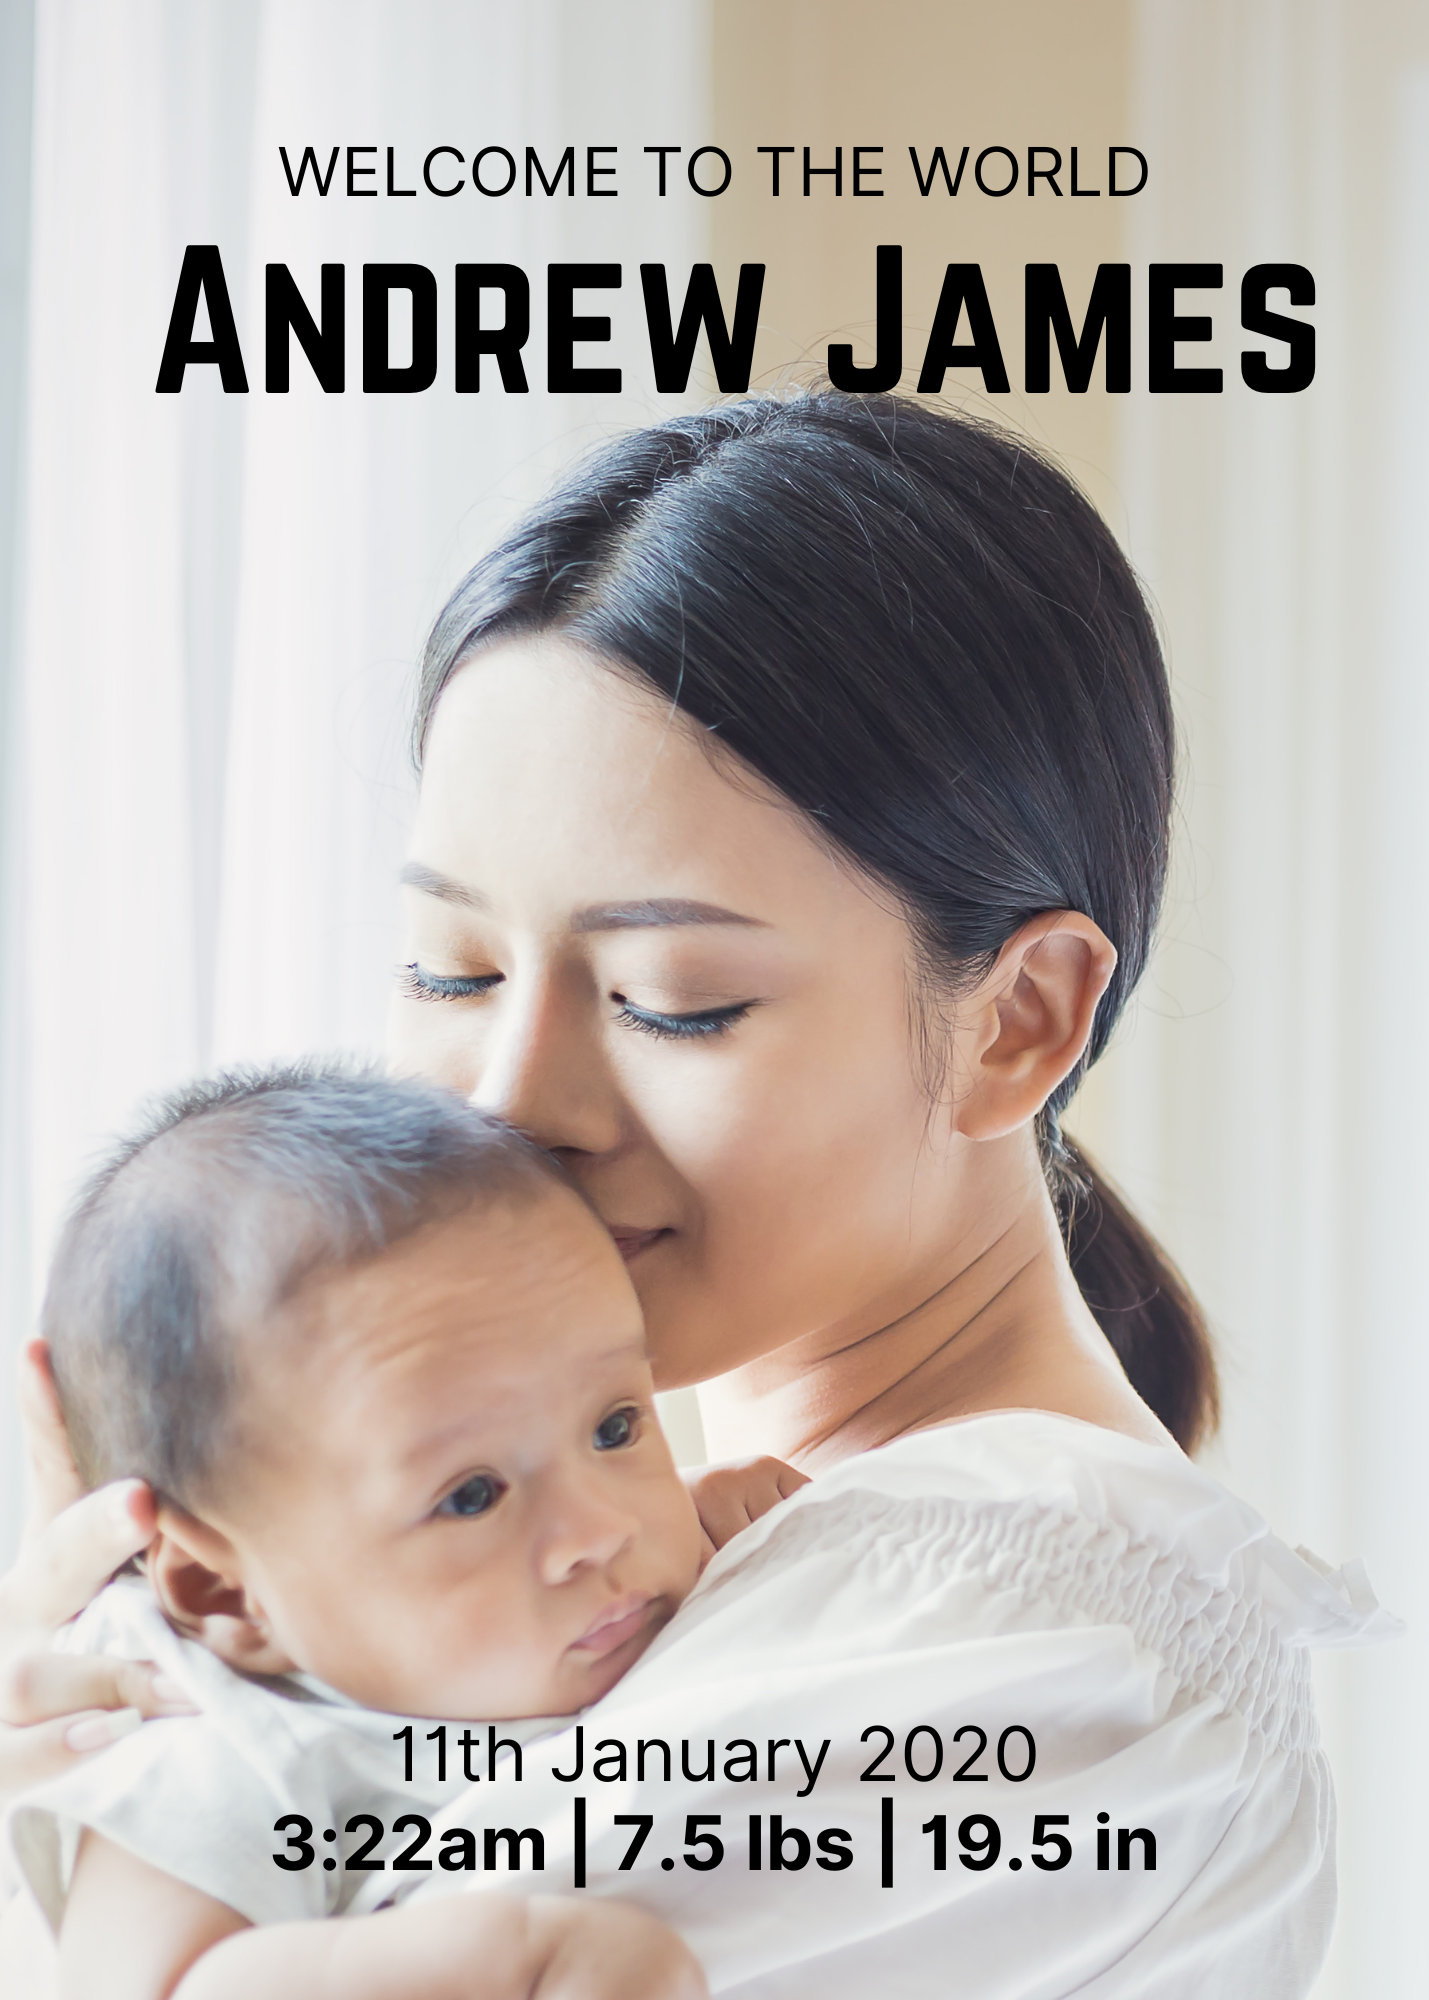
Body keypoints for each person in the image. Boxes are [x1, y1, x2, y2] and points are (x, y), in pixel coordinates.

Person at [0, 393, 1392, 1997]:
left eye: (671, 1000)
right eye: (450, 967)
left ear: (1017, 1021)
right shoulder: (676, 1569)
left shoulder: (1013, 1636)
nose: (509, 1104)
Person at [12, 1063, 804, 1998]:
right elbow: (144, 1984)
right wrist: (499, 1960)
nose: (598, 1531)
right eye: (471, 1496)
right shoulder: (206, 1732)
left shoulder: (578, 1567)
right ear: (228, 1593)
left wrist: (712, 1518)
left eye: (614, 1426)